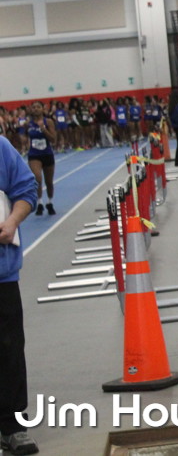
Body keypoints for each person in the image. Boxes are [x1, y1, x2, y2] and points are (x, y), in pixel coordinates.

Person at [1, 134, 40, 456]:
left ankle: (12, 426)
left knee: (9, 349)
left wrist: (12, 221)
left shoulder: (0, 148)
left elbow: (27, 189)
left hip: (1, 273)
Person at [25, 103, 56, 216]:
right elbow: (25, 136)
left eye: (38, 107)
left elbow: (53, 139)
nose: (36, 109)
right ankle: (39, 203)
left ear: (43, 109)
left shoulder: (48, 122)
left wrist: (43, 129)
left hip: (47, 154)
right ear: (31, 110)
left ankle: (50, 202)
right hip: (34, 155)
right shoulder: (28, 124)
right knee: (37, 178)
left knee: (49, 182)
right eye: (34, 107)